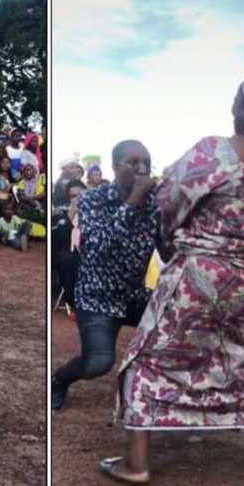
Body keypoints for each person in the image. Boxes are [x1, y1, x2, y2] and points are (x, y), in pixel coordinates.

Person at [105, 69, 244, 485]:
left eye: (238, 100)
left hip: (200, 278)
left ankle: (137, 464)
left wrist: (189, 244)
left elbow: (168, 205)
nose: (233, 106)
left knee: (150, 357)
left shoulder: (215, 153)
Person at [51, 140, 158, 411]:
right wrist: (133, 201)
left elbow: (167, 245)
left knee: (179, 326)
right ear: (114, 166)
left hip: (134, 294)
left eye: (146, 163)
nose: (142, 169)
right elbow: (101, 246)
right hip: (97, 296)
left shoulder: (155, 202)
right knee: (98, 363)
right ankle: (59, 380)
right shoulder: (92, 198)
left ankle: (154, 394)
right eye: (133, 163)